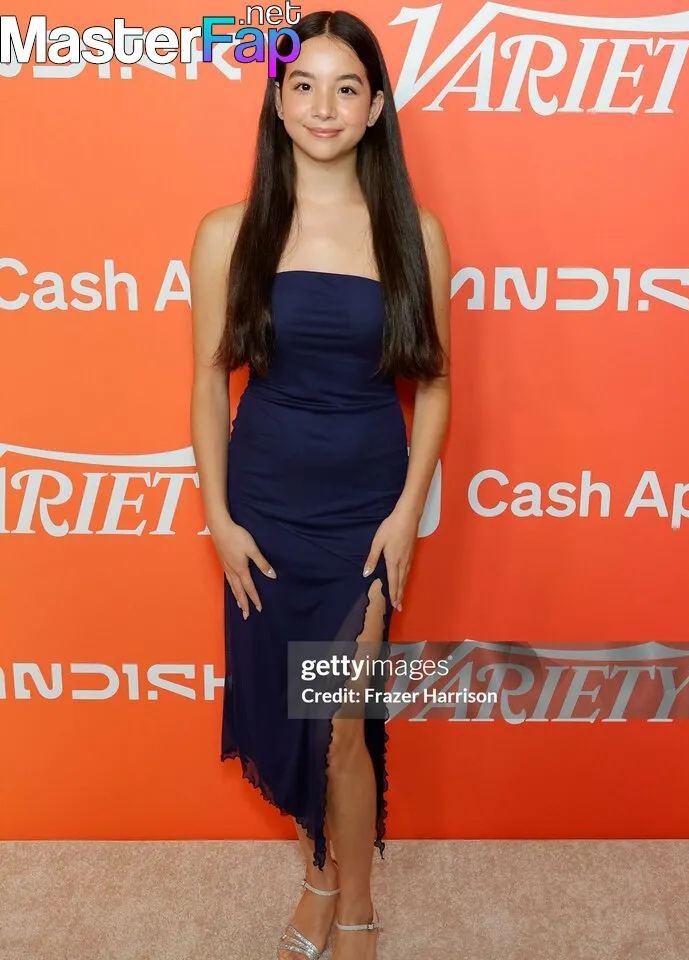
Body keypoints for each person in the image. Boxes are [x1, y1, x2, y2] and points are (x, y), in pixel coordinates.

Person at [189, 10, 450, 960]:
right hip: (265, 509)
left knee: (342, 720)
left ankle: (356, 902)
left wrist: (405, 517)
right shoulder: (227, 233)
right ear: (278, 100)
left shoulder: (415, 233)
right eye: (304, 86)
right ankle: (322, 872)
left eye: (347, 88)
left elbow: (436, 387)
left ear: (376, 108)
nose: (324, 106)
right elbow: (207, 382)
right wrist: (219, 518)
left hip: (365, 515)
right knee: (298, 717)